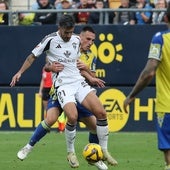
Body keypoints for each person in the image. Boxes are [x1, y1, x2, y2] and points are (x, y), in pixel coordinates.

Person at [10, 17, 117, 169]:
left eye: (71, 32)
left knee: (99, 117)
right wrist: (21, 72)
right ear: (60, 28)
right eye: (88, 39)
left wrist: (88, 73)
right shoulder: (51, 40)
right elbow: (40, 59)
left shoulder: (84, 47)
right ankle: (32, 146)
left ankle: (98, 154)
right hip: (62, 86)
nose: (69, 35)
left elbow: (86, 71)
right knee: (55, 118)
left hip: (78, 85)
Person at [123, 4, 170, 170]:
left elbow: (149, 72)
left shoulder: (160, 39)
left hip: (167, 106)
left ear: (165, 18)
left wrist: (131, 95)